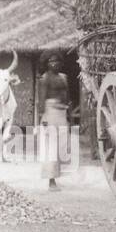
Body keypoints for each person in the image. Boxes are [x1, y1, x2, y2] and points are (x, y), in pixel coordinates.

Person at [38, 54, 71, 190]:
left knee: (63, 147)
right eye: (51, 61)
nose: (55, 64)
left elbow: (67, 96)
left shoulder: (63, 78)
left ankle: (57, 176)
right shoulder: (45, 79)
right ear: (47, 64)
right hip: (50, 112)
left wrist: (68, 114)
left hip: (62, 113)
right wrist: (44, 118)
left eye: (57, 61)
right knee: (51, 148)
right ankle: (51, 181)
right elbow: (41, 99)